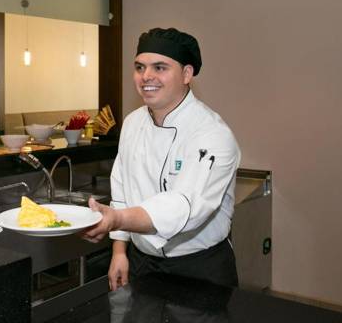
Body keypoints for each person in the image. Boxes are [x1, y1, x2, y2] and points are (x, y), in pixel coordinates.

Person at [82, 27, 241, 290]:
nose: (146, 76)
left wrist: (117, 219)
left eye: (159, 67)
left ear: (187, 74)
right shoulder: (133, 123)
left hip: (199, 267)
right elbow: (121, 188)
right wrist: (119, 251)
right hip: (142, 262)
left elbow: (185, 206)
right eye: (139, 67)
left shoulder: (212, 133)